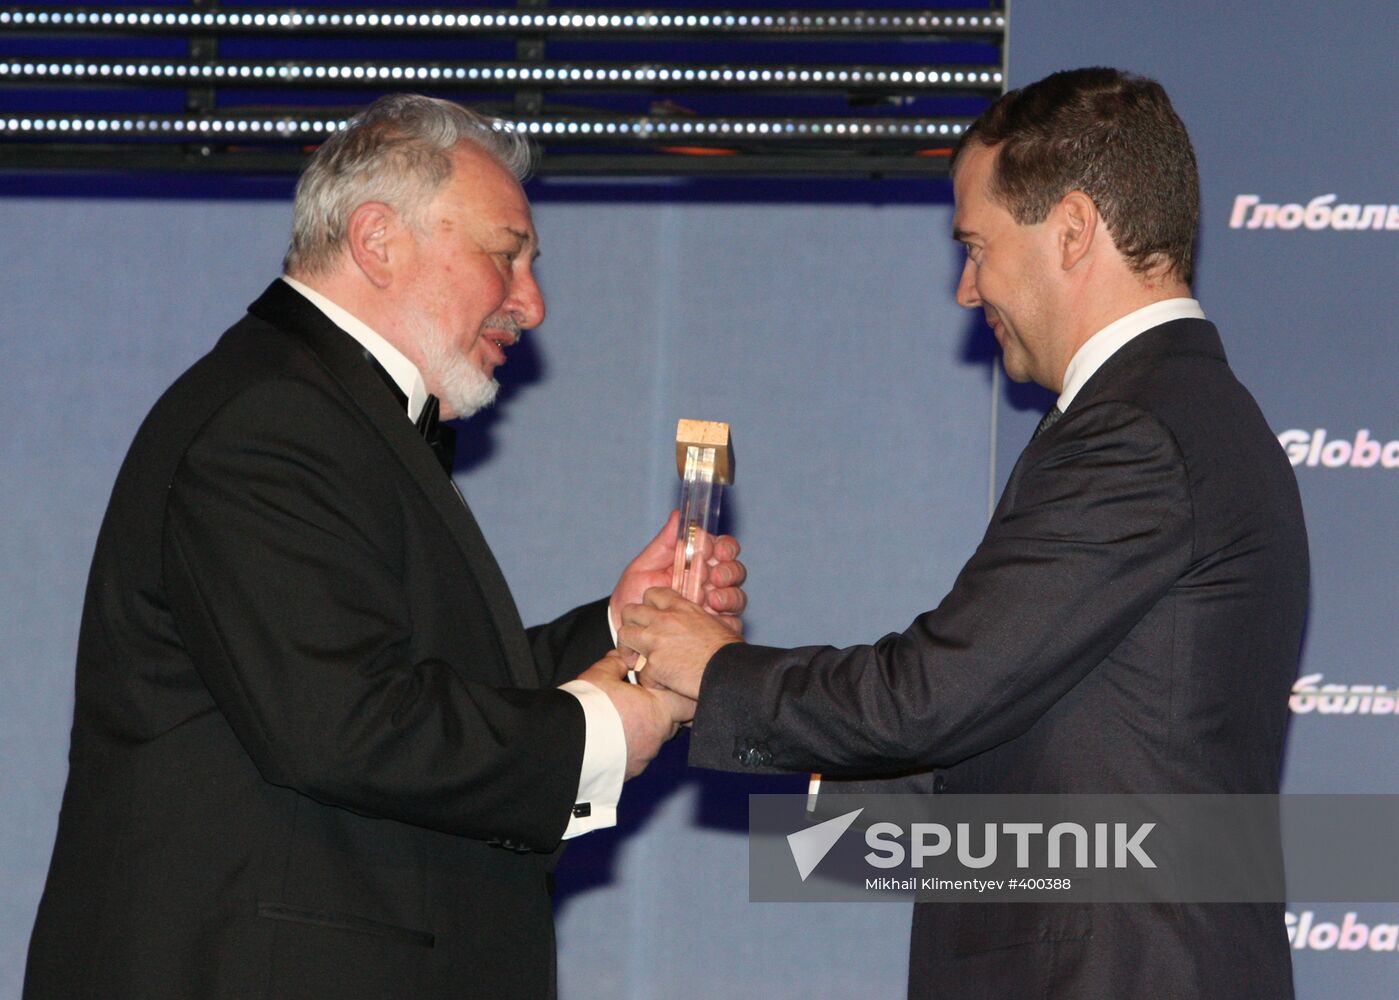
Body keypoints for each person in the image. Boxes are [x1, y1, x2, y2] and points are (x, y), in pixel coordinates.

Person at [23, 94, 743, 1000]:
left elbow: (402, 687)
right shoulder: (273, 421)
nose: (532, 303)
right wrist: (604, 726)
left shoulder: (311, 410)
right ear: (377, 240)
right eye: (505, 254)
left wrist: (621, 631)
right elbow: (343, 726)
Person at [622, 67, 1308, 999]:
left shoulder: (1136, 432)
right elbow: (1023, 745)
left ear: (1071, 231)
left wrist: (719, 672)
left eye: (976, 247)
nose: (964, 287)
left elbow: (938, 693)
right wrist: (740, 717)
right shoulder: (1171, 414)